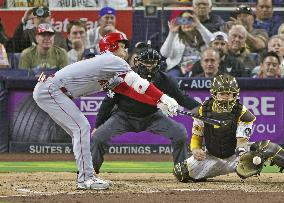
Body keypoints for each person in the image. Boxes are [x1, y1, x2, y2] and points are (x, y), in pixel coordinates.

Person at [33, 32, 179, 190]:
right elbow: (139, 84)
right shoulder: (111, 59)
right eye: (122, 46)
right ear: (112, 46)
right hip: (52, 91)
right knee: (82, 127)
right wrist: (164, 97)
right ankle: (86, 179)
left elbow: (128, 91)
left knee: (79, 130)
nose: (126, 50)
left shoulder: (109, 67)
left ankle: (86, 176)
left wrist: (156, 103)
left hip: (51, 91)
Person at [90, 47, 200, 174]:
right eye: (146, 62)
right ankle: (91, 171)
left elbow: (182, 98)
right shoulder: (126, 77)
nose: (149, 66)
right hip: (124, 116)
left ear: (158, 64)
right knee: (98, 137)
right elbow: (108, 102)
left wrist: (200, 108)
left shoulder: (165, 79)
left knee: (180, 133)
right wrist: (98, 125)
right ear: (138, 62)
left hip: (152, 116)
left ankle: (182, 171)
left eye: (152, 63)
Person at [173, 74, 284, 182]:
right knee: (180, 172)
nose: (226, 97)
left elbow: (242, 141)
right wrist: (195, 150)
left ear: (235, 94)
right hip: (212, 156)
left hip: (236, 156)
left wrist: (242, 154)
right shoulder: (202, 111)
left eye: (229, 94)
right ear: (214, 94)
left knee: (267, 147)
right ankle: (204, 173)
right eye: (222, 93)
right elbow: (197, 137)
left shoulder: (242, 112)